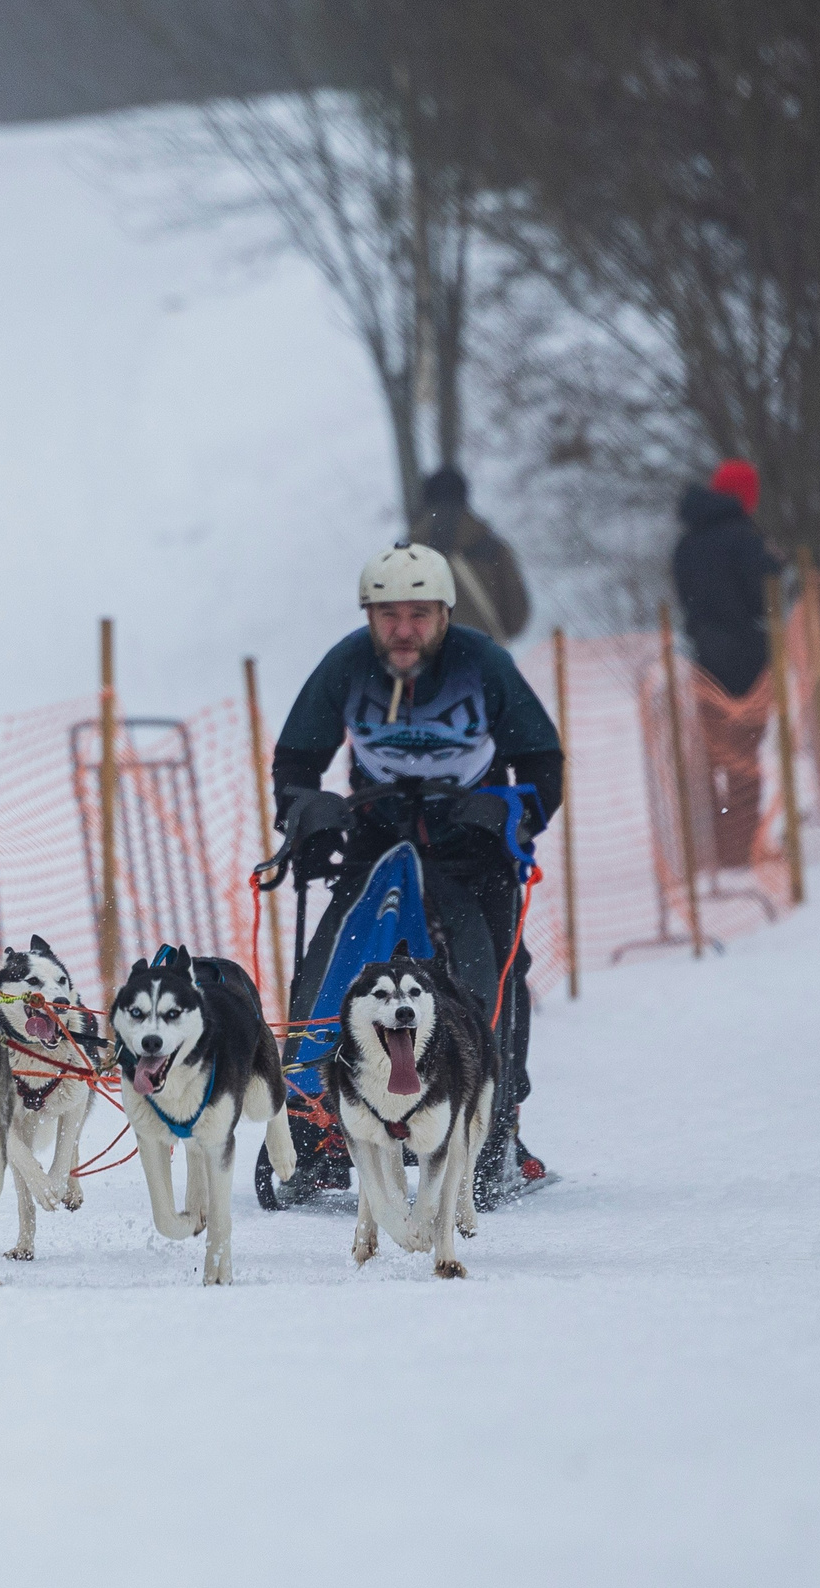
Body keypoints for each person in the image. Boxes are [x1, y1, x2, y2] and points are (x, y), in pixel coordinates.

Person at [272, 541, 565, 1183]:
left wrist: (512, 814)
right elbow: (296, 758)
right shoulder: (348, 664)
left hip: (471, 846)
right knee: (338, 960)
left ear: (445, 615)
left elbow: (543, 762)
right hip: (379, 838)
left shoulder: (483, 664)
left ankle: (497, 1119)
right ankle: (314, 1116)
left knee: (498, 971)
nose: (403, 630)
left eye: (419, 614)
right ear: (369, 617)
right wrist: (305, 816)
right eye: (388, 615)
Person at [670, 458, 782, 870]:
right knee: (744, 754)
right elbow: (763, 599)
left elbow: (689, 600)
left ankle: (716, 843)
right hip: (747, 660)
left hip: (703, 659)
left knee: (713, 754)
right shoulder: (745, 540)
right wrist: (773, 565)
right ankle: (742, 846)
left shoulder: (686, 544)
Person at [411, 466, 532, 644]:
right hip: (483, 653)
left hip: (425, 657)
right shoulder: (491, 547)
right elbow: (516, 616)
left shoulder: (407, 552)